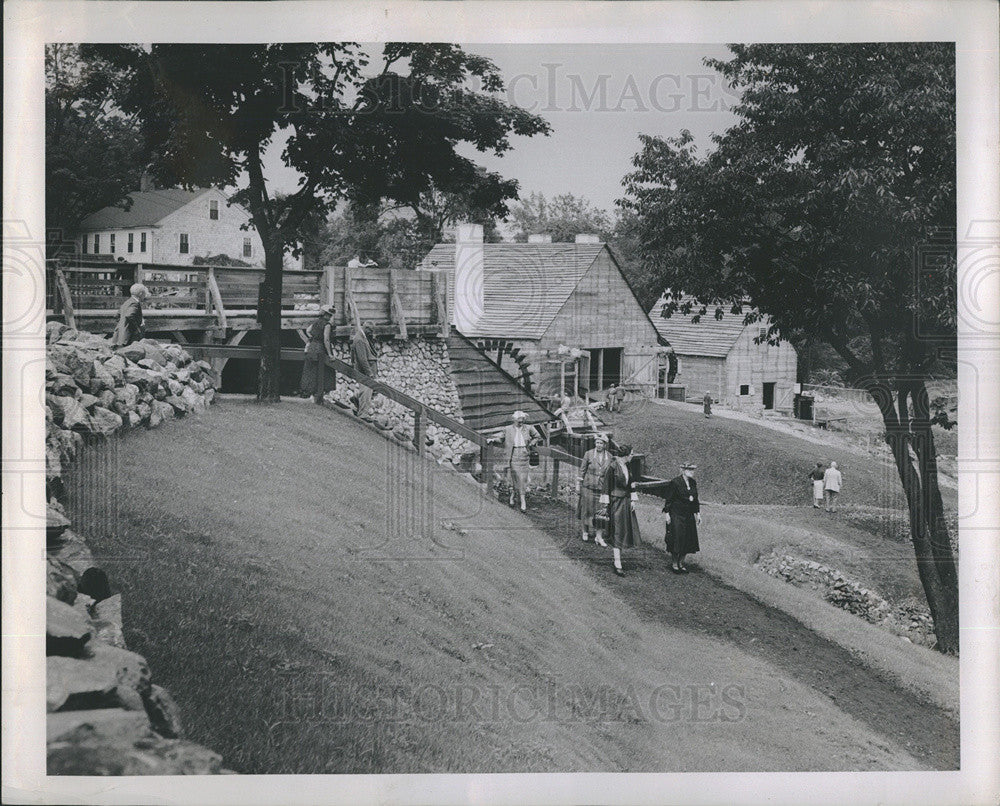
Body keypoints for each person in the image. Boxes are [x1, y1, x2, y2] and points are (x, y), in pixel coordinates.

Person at [599, 443, 641, 577]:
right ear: (626, 455)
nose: (633, 456)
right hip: (616, 503)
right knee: (617, 531)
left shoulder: (627, 466)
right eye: (632, 454)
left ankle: (619, 558)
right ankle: (617, 563)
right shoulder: (612, 467)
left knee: (624, 530)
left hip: (626, 502)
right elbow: (606, 486)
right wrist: (605, 505)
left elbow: (631, 483)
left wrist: (633, 500)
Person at [662, 462, 701, 574]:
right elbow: (669, 499)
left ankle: (681, 562)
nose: (692, 472)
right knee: (677, 538)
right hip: (677, 514)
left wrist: (698, 514)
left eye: (693, 470)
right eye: (689, 470)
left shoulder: (693, 483)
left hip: (688, 514)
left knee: (689, 538)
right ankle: (674, 563)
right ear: (683, 470)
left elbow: (695, 500)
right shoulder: (675, 482)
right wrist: (667, 514)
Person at [499, 411, 542, 511]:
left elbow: (537, 436)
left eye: (522, 420)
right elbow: (500, 439)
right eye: (519, 421)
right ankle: (514, 495)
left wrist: (532, 443)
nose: (521, 422)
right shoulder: (508, 429)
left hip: (524, 454)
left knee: (523, 478)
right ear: (514, 420)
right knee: (516, 477)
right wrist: (490, 440)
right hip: (513, 455)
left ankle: (522, 500)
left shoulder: (529, 428)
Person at [577, 433, 612, 546]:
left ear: (605, 444)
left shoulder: (610, 457)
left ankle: (598, 536)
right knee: (586, 510)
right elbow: (582, 470)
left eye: (601, 443)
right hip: (588, 487)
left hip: (601, 489)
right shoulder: (589, 454)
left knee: (600, 513)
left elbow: (610, 474)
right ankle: (585, 531)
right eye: (597, 442)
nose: (599, 445)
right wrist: (579, 484)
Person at [299, 304, 336, 403]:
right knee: (324, 370)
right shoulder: (327, 325)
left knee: (311, 370)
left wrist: (312, 339)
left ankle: (311, 393)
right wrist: (330, 354)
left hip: (312, 347)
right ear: (325, 314)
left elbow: (308, 331)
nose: (329, 316)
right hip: (320, 348)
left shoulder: (315, 322)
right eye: (328, 314)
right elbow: (326, 339)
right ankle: (320, 394)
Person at [349, 324, 379, 418]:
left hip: (368, 369)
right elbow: (362, 359)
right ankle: (363, 413)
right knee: (367, 391)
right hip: (364, 371)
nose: (372, 334)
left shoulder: (363, 337)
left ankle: (357, 397)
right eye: (371, 331)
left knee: (373, 390)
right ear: (366, 329)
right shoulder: (359, 340)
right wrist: (369, 373)